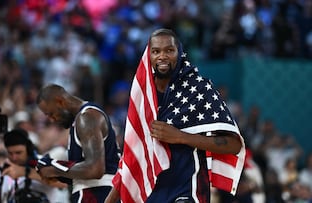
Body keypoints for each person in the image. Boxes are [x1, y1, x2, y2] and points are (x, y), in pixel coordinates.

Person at [105, 28, 245, 203]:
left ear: (180, 53)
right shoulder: (142, 94)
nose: (162, 56)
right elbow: (133, 152)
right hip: (152, 193)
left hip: (187, 190)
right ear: (148, 56)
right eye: (156, 51)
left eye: (169, 50)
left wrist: (181, 137)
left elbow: (233, 145)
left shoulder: (199, 88)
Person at [35, 84, 120, 202]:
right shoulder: (82, 119)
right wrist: (58, 175)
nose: (52, 119)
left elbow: (95, 169)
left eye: (50, 113)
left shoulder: (86, 117)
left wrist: (53, 168)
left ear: (60, 101)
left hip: (96, 193)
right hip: (100, 191)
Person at [0, 128, 69, 203]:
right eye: (10, 153)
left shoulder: (42, 162)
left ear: (28, 149)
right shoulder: (3, 169)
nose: (14, 157)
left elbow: (63, 183)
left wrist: (25, 172)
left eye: (18, 152)